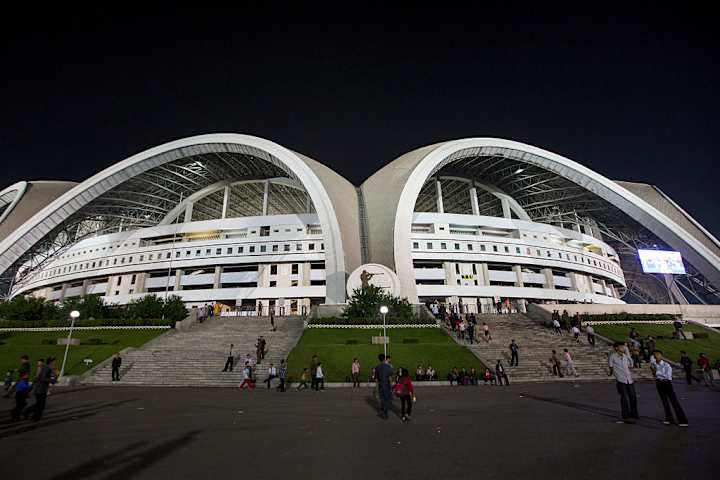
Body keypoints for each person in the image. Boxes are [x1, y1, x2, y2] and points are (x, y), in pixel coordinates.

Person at [653, 350, 688, 426]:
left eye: (658, 354)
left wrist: (657, 373)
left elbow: (667, 376)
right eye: (655, 355)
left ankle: (683, 420)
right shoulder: (654, 364)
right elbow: (655, 375)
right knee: (664, 402)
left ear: (661, 356)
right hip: (659, 383)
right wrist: (656, 374)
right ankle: (669, 418)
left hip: (666, 383)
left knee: (674, 401)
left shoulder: (666, 365)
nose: (656, 356)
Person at [608, 341, 639, 423]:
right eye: (621, 346)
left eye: (623, 346)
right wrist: (613, 373)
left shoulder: (626, 356)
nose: (623, 348)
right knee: (624, 398)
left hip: (629, 379)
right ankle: (626, 415)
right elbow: (610, 366)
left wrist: (627, 353)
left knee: (633, 397)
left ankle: (634, 413)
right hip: (621, 380)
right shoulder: (612, 356)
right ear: (616, 348)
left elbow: (631, 365)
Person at [23, 357, 57, 421]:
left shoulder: (47, 368)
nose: (55, 363)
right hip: (40, 389)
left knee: (39, 404)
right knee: (40, 405)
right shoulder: (46, 368)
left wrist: (53, 377)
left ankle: (29, 413)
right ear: (51, 362)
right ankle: (33, 415)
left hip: (41, 389)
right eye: (54, 362)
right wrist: (51, 380)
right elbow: (43, 378)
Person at [375, 354, 394, 419]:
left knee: (382, 398)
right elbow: (390, 376)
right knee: (387, 398)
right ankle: (385, 412)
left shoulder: (377, 367)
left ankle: (383, 410)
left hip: (381, 385)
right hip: (387, 385)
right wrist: (391, 386)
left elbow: (376, 378)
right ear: (384, 359)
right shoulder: (388, 366)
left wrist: (376, 387)